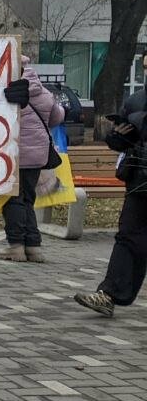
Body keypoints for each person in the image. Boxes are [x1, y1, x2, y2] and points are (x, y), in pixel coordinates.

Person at [74, 59, 147, 317]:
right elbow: (120, 142)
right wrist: (117, 135)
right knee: (128, 238)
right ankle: (109, 294)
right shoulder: (136, 100)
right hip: (139, 181)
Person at [0, 56, 65, 263]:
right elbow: (57, 118)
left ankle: (16, 246)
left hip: (12, 153)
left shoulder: (5, 90)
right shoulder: (43, 93)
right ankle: (33, 247)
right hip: (38, 156)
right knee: (28, 199)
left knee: (13, 199)